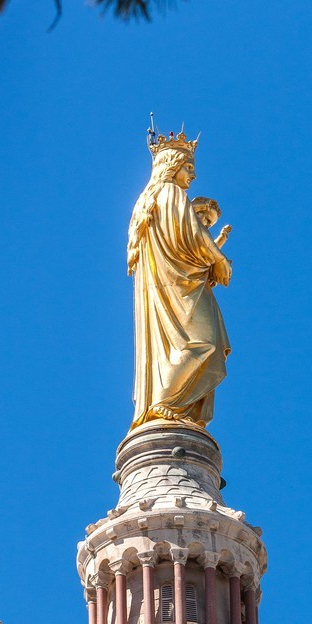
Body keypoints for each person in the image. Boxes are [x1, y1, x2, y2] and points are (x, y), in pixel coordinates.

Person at [127, 134, 233, 429]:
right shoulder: (169, 193)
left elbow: (190, 239)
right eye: (188, 166)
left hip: (182, 284)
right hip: (179, 289)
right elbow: (193, 236)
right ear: (171, 166)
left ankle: (170, 402)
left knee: (197, 344)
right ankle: (165, 402)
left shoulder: (152, 198)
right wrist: (219, 260)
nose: (194, 174)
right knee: (204, 343)